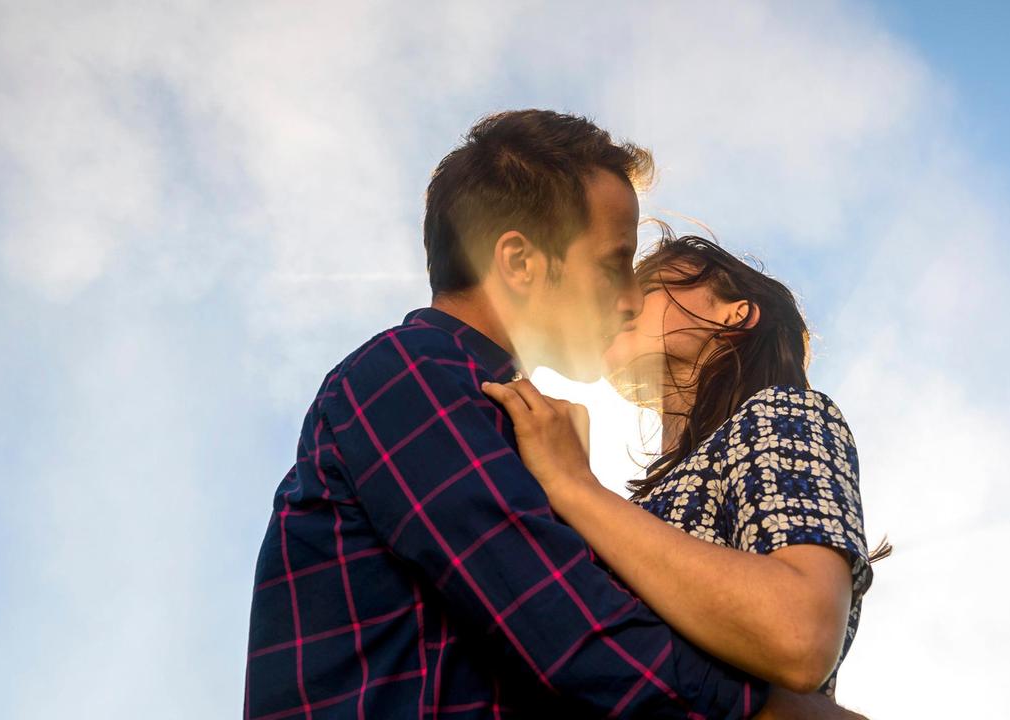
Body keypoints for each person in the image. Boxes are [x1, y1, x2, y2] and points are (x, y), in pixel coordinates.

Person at [244, 110, 773, 719]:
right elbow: (568, 629)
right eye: (612, 264)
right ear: (520, 262)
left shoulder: (512, 416)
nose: (631, 298)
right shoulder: (410, 372)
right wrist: (772, 711)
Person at [483, 232, 888, 719]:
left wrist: (574, 487)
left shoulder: (782, 411)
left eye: (652, 284)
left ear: (734, 314)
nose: (626, 301)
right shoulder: (645, 505)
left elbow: (799, 632)